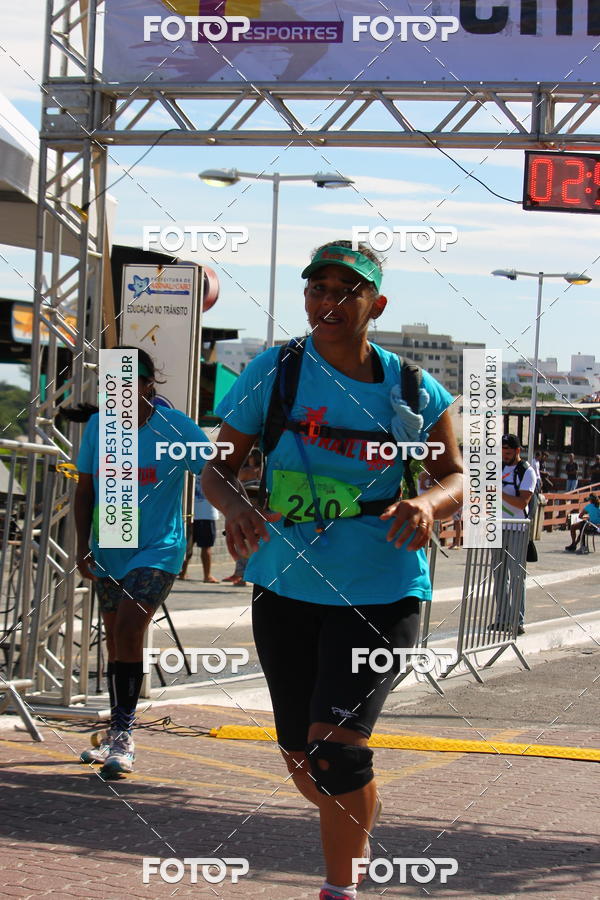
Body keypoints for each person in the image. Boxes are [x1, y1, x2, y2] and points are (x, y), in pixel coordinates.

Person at [202, 239, 463, 900]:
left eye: (347, 291)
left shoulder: (411, 387)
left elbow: (457, 474)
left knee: (337, 752)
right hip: (286, 584)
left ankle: (340, 887)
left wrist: (430, 504)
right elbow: (215, 469)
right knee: (301, 756)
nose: (330, 302)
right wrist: (235, 507)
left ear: (376, 303)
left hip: (380, 587)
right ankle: (356, 821)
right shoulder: (277, 370)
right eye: (318, 289)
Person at [74, 347, 210, 777]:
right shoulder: (100, 426)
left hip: (159, 547)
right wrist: (82, 544)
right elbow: (85, 489)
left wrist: (252, 508)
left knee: (132, 627)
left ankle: (125, 735)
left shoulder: (176, 428)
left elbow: (218, 471)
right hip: (111, 542)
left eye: (130, 384)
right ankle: (115, 730)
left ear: (150, 384)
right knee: (116, 640)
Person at [490, 434, 537, 635]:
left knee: (517, 576)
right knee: (499, 575)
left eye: (508, 451)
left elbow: (521, 503)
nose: (505, 454)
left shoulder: (527, 472)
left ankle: (517, 621)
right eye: (502, 450)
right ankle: (502, 618)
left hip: (517, 528)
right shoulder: (497, 468)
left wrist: (496, 491)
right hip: (498, 527)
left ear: (517, 451)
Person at [222, 449, 263, 586]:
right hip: (259, 510)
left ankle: (241, 574)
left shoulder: (246, 471)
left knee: (242, 541)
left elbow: (235, 481)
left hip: (245, 509)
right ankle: (246, 574)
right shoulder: (262, 471)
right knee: (255, 542)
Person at [183, 476, 219, 583]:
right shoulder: (214, 469)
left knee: (189, 546)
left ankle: (184, 573)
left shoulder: (191, 470)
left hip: (195, 514)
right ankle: (206, 576)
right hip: (202, 514)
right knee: (204, 547)